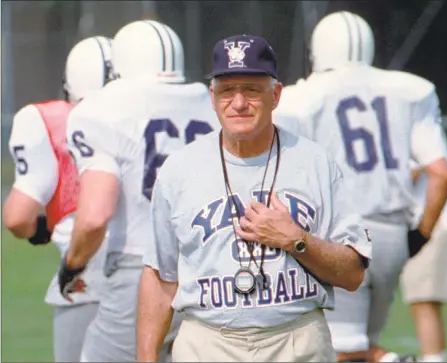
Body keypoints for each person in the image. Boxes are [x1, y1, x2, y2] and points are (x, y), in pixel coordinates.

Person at [136, 33, 372, 363]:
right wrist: (145, 358)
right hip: (206, 343)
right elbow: (161, 276)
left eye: (251, 89)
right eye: (227, 90)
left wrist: (297, 241)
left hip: (296, 340)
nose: (239, 103)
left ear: (275, 94)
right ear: (212, 96)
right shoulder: (178, 169)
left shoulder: (317, 164)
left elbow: (352, 274)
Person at [276, 11, 447, 363]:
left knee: (341, 349)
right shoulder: (410, 90)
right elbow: (442, 173)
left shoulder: (302, 98)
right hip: (392, 234)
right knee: (361, 343)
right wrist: (418, 236)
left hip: (338, 236)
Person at [58, 20, 221, 362]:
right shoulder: (210, 101)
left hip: (141, 265)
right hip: (215, 269)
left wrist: (72, 265)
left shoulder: (102, 108)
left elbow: (93, 217)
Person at [3, 36, 115, 362]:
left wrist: (39, 228)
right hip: (158, 278)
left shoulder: (52, 120)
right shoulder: (155, 116)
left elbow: (17, 217)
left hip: (86, 278)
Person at [400, 139, 447, 362]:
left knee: (425, 303)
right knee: (423, 303)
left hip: (433, 222)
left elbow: (409, 174)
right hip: (432, 221)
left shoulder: (413, 122)